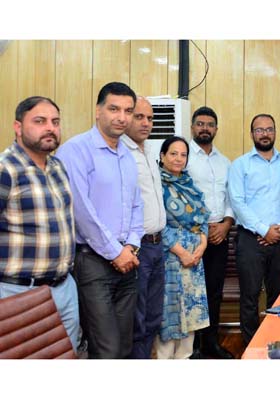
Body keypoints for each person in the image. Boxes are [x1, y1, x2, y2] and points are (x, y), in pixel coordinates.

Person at [56, 82, 144, 358]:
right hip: (93, 261)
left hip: (127, 260)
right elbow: (81, 211)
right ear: (98, 111)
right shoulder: (75, 150)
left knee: (124, 346)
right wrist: (115, 251)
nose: (122, 117)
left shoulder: (127, 156)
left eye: (128, 111)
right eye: (114, 109)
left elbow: (136, 206)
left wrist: (130, 246)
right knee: (105, 348)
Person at [0, 96, 79, 352]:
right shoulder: (6, 169)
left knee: (67, 357)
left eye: (55, 122)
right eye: (40, 121)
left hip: (64, 288)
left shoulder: (58, 167)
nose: (50, 128)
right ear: (18, 126)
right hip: (17, 292)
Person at [228, 114, 280, 347]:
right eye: (259, 130)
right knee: (250, 296)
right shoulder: (240, 165)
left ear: (275, 132)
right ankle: (252, 345)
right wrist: (263, 230)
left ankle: (275, 341)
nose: (265, 134)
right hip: (249, 239)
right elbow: (237, 202)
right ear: (251, 133)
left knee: (279, 295)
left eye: (269, 129)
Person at [184, 106, 235, 359]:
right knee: (192, 293)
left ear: (216, 129)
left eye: (210, 124)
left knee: (214, 292)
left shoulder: (225, 161)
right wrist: (202, 227)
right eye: (200, 124)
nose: (205, 128)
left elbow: (230, 198)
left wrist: (226, 224)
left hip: (219, 236)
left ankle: (210, 344)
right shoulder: (183, 157)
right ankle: (192, 350)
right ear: (192, 127)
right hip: (192, 237)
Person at [121, 96, 167, 358]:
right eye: (139, 117)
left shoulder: (150, 151)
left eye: (150, 118)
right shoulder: (121, 152)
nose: (146, 123)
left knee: (153, 317)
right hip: (136, 249)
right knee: (136, 320)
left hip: (157, 245)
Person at [156, 136, 210, 359]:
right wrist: (182, 252)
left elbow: (203, 217)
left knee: (190, 320)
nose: (179, 159)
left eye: (183, 154)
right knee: (170, 319)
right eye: (173, 154)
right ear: (162, 156)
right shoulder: (156, 183)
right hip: (171, 258)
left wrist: (203, 243)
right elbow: (157, 223)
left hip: (195, 261)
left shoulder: (189, 183)